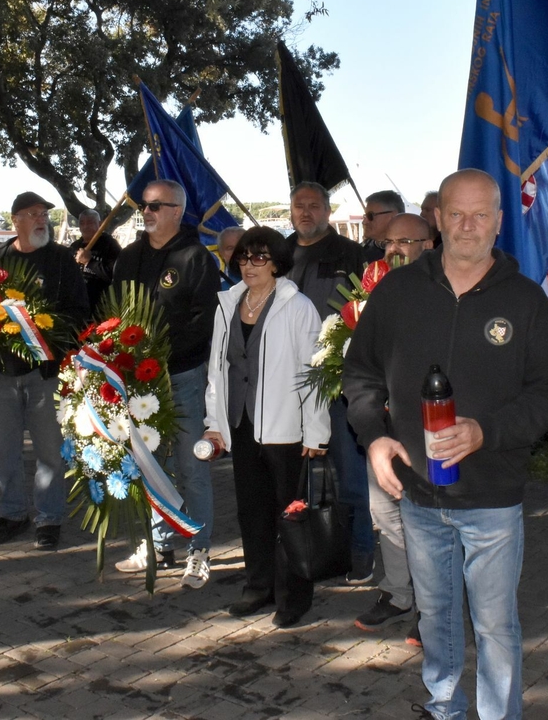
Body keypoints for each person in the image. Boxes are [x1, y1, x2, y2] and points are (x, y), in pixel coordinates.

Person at [343, 169, 548, 720]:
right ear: (438, 220)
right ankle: (444, 705)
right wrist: (375, 438)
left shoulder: (526, 301)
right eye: (457, 214)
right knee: (436, 617)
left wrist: (486, 431)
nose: (468, 226)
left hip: (492, 498)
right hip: (418, 495)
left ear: (498, 221)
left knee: (495, 625)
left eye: (481, 214)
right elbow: (361, 374)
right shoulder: (397, 292)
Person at [201, 226, 330, 627]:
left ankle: (294, 596)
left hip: (286, 427)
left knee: (290, 515)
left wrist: (316, 431)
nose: (249, 265)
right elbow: (217, 370)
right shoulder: (227, 303)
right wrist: (214, 422)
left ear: (276, 263)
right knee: (251, 512)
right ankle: (259, 587)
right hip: (241, 425)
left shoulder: (298, 306)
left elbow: (315, 371)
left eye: (259, 257)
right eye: (242, 257)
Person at [111, 180, 220, 587]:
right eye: (145, 205)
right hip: (137, 381)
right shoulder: (129, 257)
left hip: (182, 376)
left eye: (156, 206)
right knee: (152, 465)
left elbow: (203, 322)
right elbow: (115, 314)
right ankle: (157, 544)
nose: (147, 212)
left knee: (191, 467)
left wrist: (160, 358)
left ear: (177, 210)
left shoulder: (197, 258)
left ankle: (199, 548)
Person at [0, 191, 89, 551]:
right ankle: (13, 513)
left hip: (45, 372)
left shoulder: (61, 260)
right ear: (16, 220)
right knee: (4, 451)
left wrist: (50, 332)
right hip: (0, 372)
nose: (42, 219)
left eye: (44, 213)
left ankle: (49, 518)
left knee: (50, 451)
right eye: (33, 214)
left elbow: (79, 310)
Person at [352, 212, 435, 643]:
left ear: (428, 245)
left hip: (425, 428)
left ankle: (430, 606)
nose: (394, 249)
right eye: (388, 242)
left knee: (425, 519)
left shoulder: (441, 289)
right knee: (384, 512)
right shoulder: (374, 287)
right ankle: (399, 593)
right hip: (382, 428)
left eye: (404, 241)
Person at [286, 181, 374, 584]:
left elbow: (368, 308)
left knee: (349, 476)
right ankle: (300, 550)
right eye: (299, 205)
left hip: (336, 381)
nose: (306, 212)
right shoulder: (279, 252)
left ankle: (360, 551)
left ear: (327, 210)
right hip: (286, 383)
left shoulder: (351, 253)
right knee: (292, 477)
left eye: (314, 205)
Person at [69, 208, 122, 312]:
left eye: (90, 222)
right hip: (77, 306)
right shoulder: (75, 247)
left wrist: (90, 262)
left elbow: (116, 276)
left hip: (102, 308)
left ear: (100, 224)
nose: (85, 226)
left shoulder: (110, 245)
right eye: (82, 223)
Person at [361, 190, 405, 262]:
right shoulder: (357, 253)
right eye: (365, 216)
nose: (364, 222)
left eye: (370, 216)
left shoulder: (411, 252)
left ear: (393, 216)